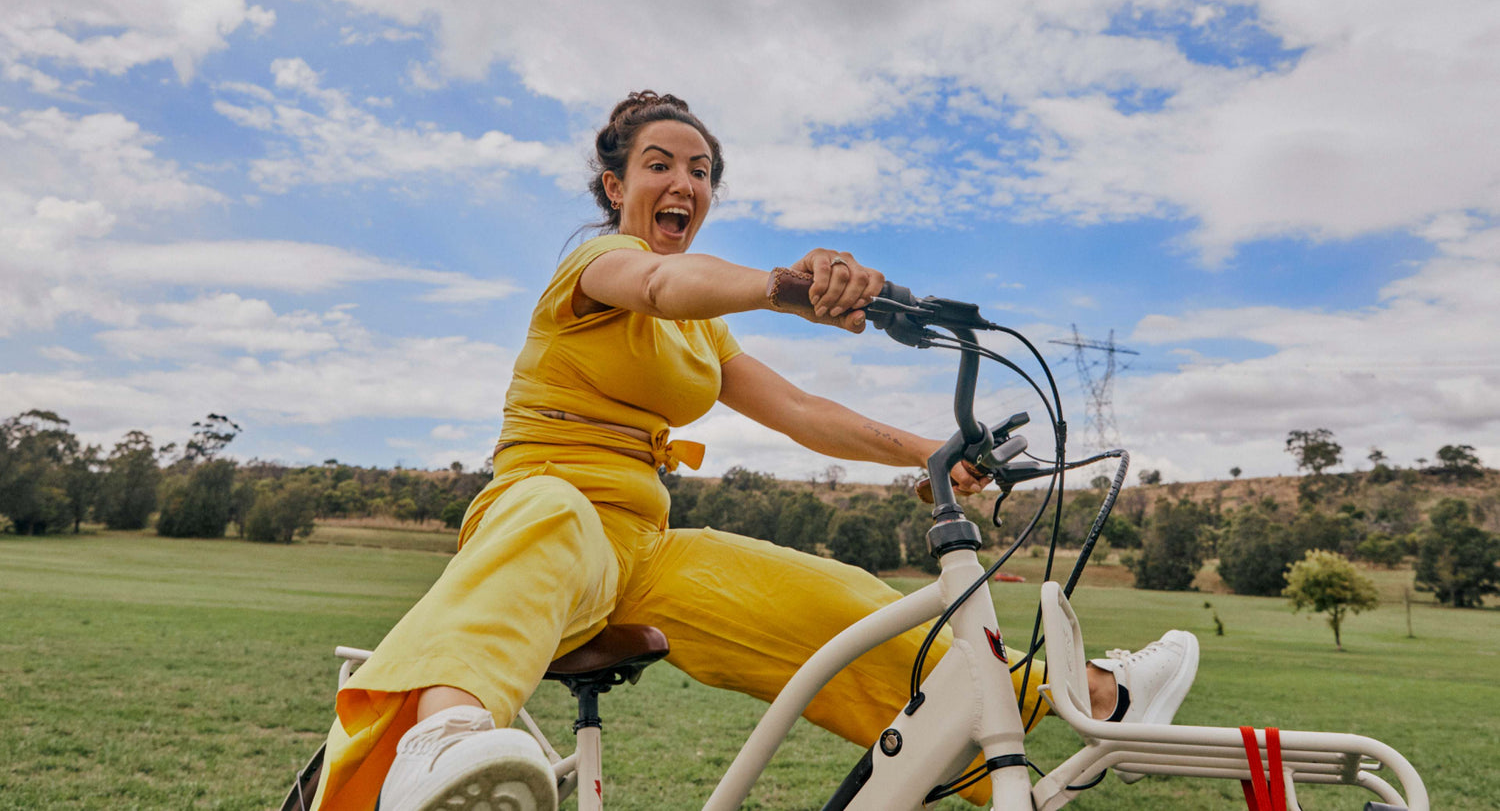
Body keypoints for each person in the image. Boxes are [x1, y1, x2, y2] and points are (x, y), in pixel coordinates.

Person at [308, 91, 1199, 811]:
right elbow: (662, 284)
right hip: (546, 508)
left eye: (700, 171)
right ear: (615, 186)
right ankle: (445, 744)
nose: (682, 183)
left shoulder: (705, 340)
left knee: (850, 608)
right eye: (658, 164)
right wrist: (785, 286)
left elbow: (801, 410)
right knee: (551, 515)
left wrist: (934, 449)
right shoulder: (596, 267)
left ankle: (1098, 695)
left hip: (646, 549)